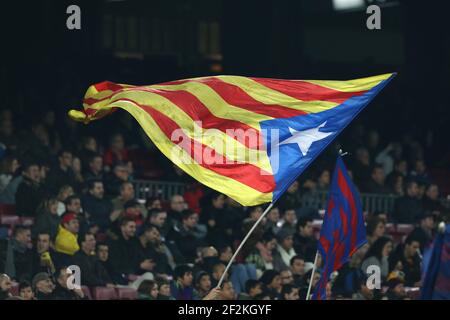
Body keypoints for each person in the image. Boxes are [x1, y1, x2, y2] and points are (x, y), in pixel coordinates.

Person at [107, 218, 154, 284]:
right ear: (122, 228)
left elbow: (139, 258)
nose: (134, 230)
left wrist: (144, 263)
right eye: (131, 227)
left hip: (135, 275)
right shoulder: (114, 243)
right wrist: (139, 266)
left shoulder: (134, 242)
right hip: (120, 278)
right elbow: (117, 265)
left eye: (135, 227)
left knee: (150, 276)